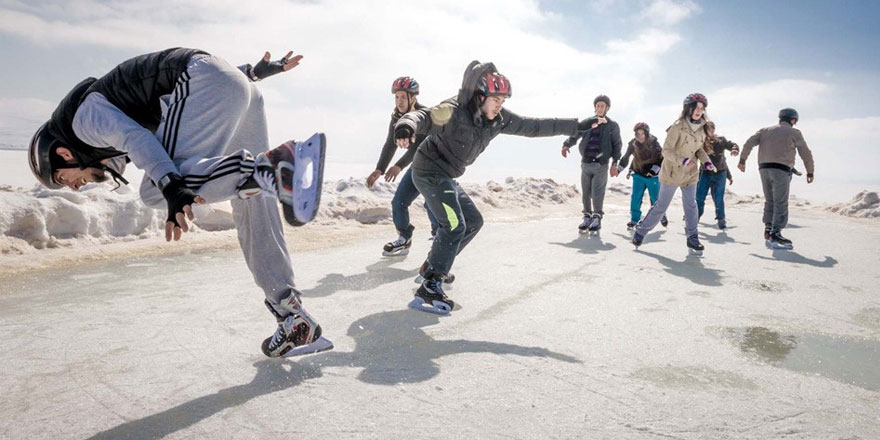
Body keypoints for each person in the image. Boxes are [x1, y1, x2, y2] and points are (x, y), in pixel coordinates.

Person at [26, 47, 331, 358]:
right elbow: (212, 79)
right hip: (234, 86)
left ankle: (273, 167)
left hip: (203, 81)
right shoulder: (102, 126)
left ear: (62, 154)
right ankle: (291, 315)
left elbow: (138, 139)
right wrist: (253, 73)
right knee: (253, 196)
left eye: (63, 179)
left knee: (155, 190)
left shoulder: (83, 121)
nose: (75, 187)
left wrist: (172, 188)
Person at [394, 60, 587, 314]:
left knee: (473, 221)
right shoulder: (454, 110)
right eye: (496, 100)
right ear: (480, 96)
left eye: (503, 101)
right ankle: (429, 287)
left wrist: (575, 127)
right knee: (453, 225)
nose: (500, 105)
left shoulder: (498, 119)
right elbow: (423, 116)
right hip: (429, 171)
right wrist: (406, 126)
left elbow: (534, 126)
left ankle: (432, 267)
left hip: (447, 176)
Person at [632, 93, 716, 255]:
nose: (699, 111)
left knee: (691, 205)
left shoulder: (703, 128)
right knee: (661, 206)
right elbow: (666, 150)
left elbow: (698, 149)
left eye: (702, 108)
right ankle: (641, 232)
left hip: (690, 175)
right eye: (696, 107)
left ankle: (692, 237)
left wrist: (707, 162)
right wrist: (682, 160)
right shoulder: (677, 127)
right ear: (689, 108)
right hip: (671, 173)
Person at [366, 76, 439, 256]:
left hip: (436, 167)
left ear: (413, 98)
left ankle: (440, 240)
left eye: (403, 97)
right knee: (399, 202)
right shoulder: (396, 117)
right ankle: (404, 239)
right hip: (418, 167)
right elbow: (390, 143)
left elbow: (419, 148)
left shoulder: (424, 115)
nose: (399, 101)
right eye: (397, 97)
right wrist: (380, 169)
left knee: (432, 204)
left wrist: (398, 166)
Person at [738, 108, 815, 249]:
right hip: (781, 171)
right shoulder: (794, 133)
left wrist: (742, 160)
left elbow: (749, 143)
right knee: (780, 202)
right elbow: (806, 153)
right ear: (793, 120)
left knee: (770, 200)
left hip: (764, 169)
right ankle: (776, 234)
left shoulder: (764, 131)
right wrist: (810, 172)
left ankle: (768, 230)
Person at [561, 95, 622, 233]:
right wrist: (566, 145)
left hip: (601, 164)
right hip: (586, 163)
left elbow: (617, 145)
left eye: (603, 106)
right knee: (586, 193)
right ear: (595, 107)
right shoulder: (588, 122)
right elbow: (575, 135)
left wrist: (615, 163)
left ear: (607, 108)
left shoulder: (612, 126)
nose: (600, 108)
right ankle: (587, 217)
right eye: (598, 106)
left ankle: (597, 217)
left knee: (597, 193)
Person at [618, 122, 667, 230]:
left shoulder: (654, 142)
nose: (640, 136)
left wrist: (653, 171)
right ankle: (634, 219)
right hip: (638, 174)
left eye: (642, 133)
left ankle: (661, 215)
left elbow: (661, 158)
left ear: (646, 133)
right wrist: (619, 169)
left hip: (652, 176)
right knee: (636, 197)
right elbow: (626, 157)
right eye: (638, 134)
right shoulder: (633, 143)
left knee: (655, 198)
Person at [695, 121, 740, 230]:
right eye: (708, 129)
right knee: (700, 197)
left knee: (718, 198)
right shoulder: (700, 141)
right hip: (705, 173)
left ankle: (721, 219)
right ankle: (695, 218)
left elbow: (730, 148)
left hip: (720, 173)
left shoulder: (721, 140)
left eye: (712, 129)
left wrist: (734, 149)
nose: (711, 131)